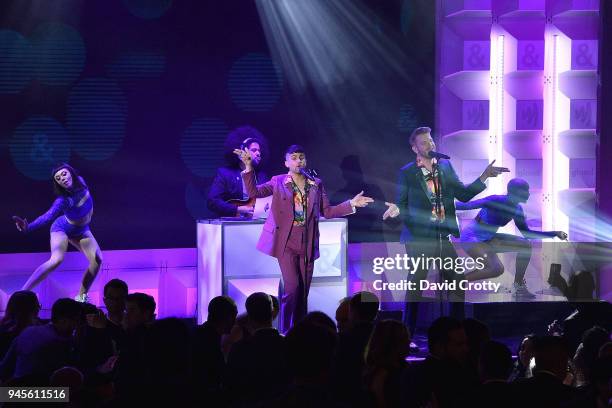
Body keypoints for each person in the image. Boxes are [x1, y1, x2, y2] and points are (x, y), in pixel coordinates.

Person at [235, 144, 373, 332]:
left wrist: (351, 204)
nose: (298, 160)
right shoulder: (278, 181)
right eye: (294, 157)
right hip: (286, 242)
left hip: (307, 243)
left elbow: (328, 211)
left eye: (301, 157)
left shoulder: (315, 183)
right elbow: (254, 193)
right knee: (292, 289)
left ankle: (299, 331)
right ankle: (283, 330)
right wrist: (249, 168)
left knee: (303, 293)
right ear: (286, 162)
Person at [383, 127, 508, 333]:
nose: (430, 144)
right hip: (419, 239)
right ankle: (407, 334)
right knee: (416, 285)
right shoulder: (407, 173)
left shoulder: (445, 167)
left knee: (457, 281)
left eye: (430, 140)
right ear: (415, 148)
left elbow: (464, 195)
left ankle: (455, 331)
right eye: (424, 142)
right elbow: (401, 203)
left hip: (443, 236)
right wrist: (396, 210)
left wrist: (484, 176)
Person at [455, 178, 568, 298]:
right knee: (495, 269)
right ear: (516, 192)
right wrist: (440, 205)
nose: (529, 193)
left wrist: (554, 233)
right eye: (526, 190)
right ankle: (455, 282)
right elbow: (464, 206)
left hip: (488, 239)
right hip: (471, 238)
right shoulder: (495, 200)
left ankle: (518, 286)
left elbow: (527, 234)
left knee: (524, 245)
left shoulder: (517, 209)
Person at [12, 163, 102, 303]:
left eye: (64, 174)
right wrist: (28, 227)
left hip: (82, 230)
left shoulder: (81, 181)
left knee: (97, 260)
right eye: (58, 178)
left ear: (71, 173)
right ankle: (21, 293)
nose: (62, 179)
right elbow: (48, 216)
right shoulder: (63, 200)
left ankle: (81, 297)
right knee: (56, 260)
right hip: (62, 228)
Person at [207, 126, 268, 217]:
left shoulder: (261, 176)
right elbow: (212, 201)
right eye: (254, 150)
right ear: (241, 153)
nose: (258, 153)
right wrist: (237, 209)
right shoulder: (225, 174)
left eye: (259, 150)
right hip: (232, 226)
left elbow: (267, 202)